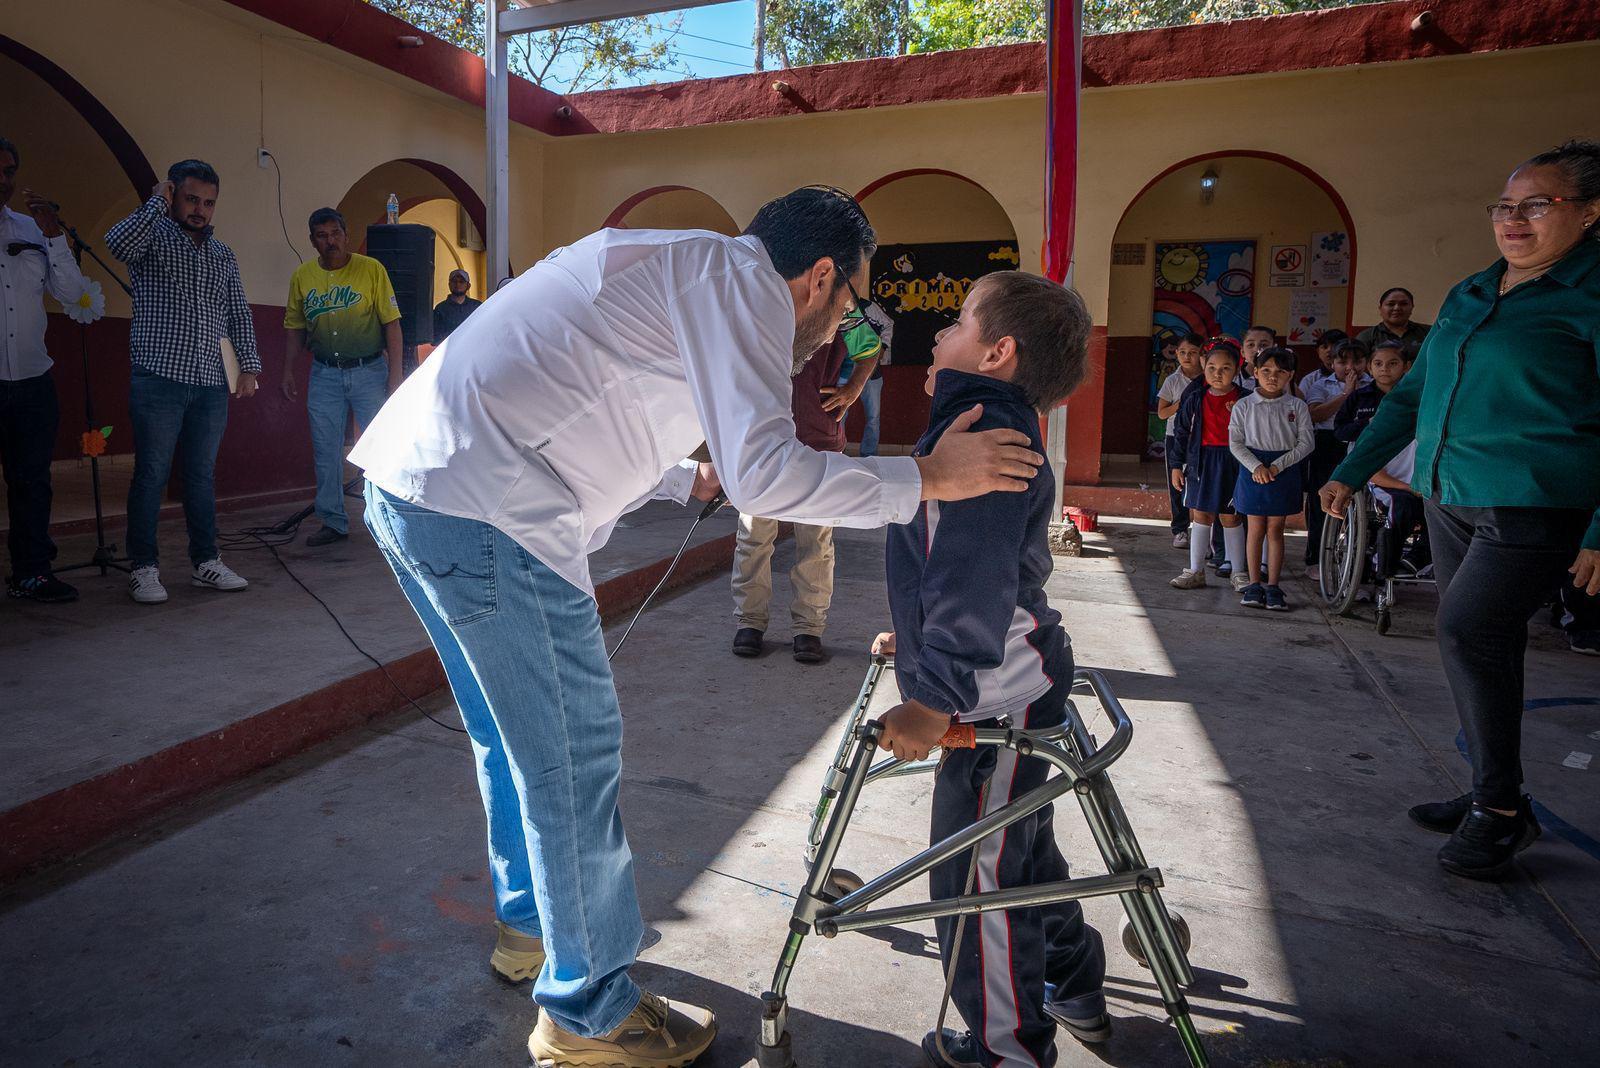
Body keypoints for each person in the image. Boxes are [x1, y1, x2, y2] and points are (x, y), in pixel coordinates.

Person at [348, 186, 1043, 1066]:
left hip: (420, 484)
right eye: (846, 304)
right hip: (488, 508)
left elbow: (589, 398)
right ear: (820, 275)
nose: (838, 331)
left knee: (512, 737)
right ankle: (587, 1013)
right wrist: (926, 479)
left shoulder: (689, 267)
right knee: (573, 749)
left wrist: (683, 479)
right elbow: (765, 477)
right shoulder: (746, 288)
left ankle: (534, 930)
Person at [1322, 139, 1600, 881]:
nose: (1515, 219)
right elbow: (1411, 397)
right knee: (1486, 645)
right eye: (1506, 206)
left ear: (1590, 212)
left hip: (1533, 501)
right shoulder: (1473, 292)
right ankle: (1496, 792)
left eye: (1538, 205)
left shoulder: (1589, 296)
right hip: (1449, 495)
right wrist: (1349, 470)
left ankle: (1501, 815)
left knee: (1468, 630)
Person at [868, 270, 1108, 1068]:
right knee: (1021, 855)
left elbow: (973, 577)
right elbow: (944, 557)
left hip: (991, 700)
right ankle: (1073, 978)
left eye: (960, 320)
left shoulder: (978, 424)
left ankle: (1008, 1051)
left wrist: (933, 696)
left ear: (997, 351)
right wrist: (914, 637)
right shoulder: (981, 418)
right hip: (1004, 681)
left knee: (979, 882)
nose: (940, 332)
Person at [106, 159, 257, 605]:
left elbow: (238, 311)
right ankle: (144, 568)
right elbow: (117, 243)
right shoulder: (151, 236)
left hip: (210, 382)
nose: (200, 210)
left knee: (200, 475)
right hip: (158, 378)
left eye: (208, 203)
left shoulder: (222, 254)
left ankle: (206, 562)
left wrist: (249, 364)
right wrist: (156, 202)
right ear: (173, 194)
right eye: (191, 199)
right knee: (151, 474)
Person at [730, 279, 879, 663]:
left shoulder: (840, 307)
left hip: (819, 442)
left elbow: (870, 350)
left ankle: (808, 630)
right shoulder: (758, 300)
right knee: (754, 536)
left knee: (815, 543)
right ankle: (750, 623)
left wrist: (853, 390)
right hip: (761, 442)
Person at [0, 135, 90, 603]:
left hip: (33, 380)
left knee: (32, 482)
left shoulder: (31, 230)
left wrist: (54, 234)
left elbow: (74, 295)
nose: (3, 180)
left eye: (9, 171)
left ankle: (31, 574)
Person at [280, 207, 403, 547]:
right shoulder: (302, 277)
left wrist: (395, 377)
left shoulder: (371, 270)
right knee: (325, 451)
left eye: (335, 233)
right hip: (324, 375)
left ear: (346, 235)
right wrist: (288, 370)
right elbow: (294, 328)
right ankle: (333, 521)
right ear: (312, 241)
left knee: (382, 449)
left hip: (369, 373)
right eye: (322, 236)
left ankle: (393, 521)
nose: (330, 241)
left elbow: (392, 323)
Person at [1230, 346, 1314, 610]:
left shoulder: (1297, 406)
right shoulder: (1244, 405)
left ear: (1290, 375)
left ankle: (1274, 586)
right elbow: (1235, 442)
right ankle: (1254, 585)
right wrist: (1256, 466)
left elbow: (1306, 443)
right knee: (1254, 529)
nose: (1272, 376)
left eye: (1280, 372)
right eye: (1265, 370)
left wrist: (1277, 466)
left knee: (1276, 529)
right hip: (1252, 470)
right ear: (1255, 372)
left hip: (1284, 470)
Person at [1169, 338, 1250, 591]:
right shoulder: (1195, 397)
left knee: (1231, 516)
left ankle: (1238, 572)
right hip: (1201, 461)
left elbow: (1257, 433)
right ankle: (1195, 570)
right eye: (1212, 367)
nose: (1218, 373)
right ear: (1204, 367)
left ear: (1237, 369)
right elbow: (1181, 432)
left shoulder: (1246, 400)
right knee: (1201, 515)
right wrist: (1176, 465)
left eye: (1225, 368)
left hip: (1234, 462)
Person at [1299, 334, 1366, 578]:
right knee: (1321, 502)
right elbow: (1315, 415)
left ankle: (1354, 563)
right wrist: (1347, 394)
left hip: (1360, 444)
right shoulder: (1321, 385)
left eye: (1357, 362)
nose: (1350, 368)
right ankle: (1315, 558)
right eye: (1343, 362)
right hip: (1327, 444)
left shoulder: (1372, 383)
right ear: (1333, 364)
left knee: (1360, 506)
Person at [1156, 332, 1204, 548]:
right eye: (1183, 352)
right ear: (1176, 354)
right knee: (1176, 483)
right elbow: (1162, 413)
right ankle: (1180, 529)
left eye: (1193, 353)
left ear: (1202, 355)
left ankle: (1204, 528)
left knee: (1202, 480)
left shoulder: (1209, 377)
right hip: (1175, 437)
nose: (1187, 357)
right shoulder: (1173, 380)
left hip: (1203, 437)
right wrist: (1183, 402)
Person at [828, 297, 892, 457]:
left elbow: (888, 324)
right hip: (843, 374)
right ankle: (836, 453)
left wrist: (884, 346)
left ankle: (869, 455)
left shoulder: (869, 307)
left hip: (871, 375)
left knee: (873, 417)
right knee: (838, 416)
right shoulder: (832, 305)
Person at [1356, 287, 1431, 351]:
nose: (1397, 308)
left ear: (1412, 307)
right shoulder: (1367, 337)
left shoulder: (1428, 333)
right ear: (1380, 309)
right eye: (1391, 304)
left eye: (1403, 304)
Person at [432, 267, 481, 343]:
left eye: (461, 282)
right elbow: (436, 337)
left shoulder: (477, 307)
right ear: (449, 284)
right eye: (454, 281)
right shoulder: (440, 309)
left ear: (468, 285)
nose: (457, 284)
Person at [1239, 323, 1275, 389]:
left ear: (1274, 349)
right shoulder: (1234, 378)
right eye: (1251, 345)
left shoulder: (1280, 377)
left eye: (1264, 345)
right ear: (1242, 351)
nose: (1257, 349)